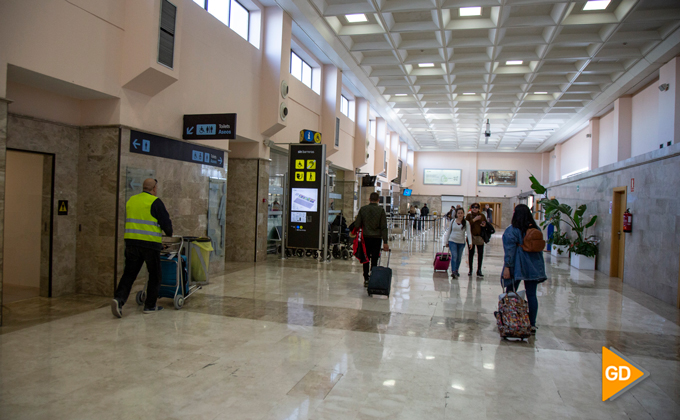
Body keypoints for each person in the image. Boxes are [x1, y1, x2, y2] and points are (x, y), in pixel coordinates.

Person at [111, 178, 173, 317]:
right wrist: (168, 231)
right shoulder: (155, 202)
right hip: (150, 244)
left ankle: (119, 300)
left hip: (132, 243)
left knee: (129, 274)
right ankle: (150, 305)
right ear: (154, 188)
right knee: (155, 275)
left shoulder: (131, 200)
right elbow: (167, 227)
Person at [501, 204, 547, 334]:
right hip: (533, 266)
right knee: (532, 294)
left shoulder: (512, 230)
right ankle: (532, 324)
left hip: (517, 265)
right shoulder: (535, 229)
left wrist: (507, 267)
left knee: (510, 292)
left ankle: (509, 318)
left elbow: (509, 251)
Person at [354, 192, 389, 287]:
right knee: (374, 258)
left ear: (369, 199)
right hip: (377, 238)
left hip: (366, 238)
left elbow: (357, 224)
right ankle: (373, 276)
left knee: (365, 258)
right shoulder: (381, 211)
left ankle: (366, 278)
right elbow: (384, 227)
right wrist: (385, 242)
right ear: (378, 200)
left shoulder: (363, 209)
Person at [443, 208, 472, 278]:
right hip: (452, 241)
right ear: (456, 214)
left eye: (461, 213)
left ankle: (456, 270)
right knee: (454, 256)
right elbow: (449, 231)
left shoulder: (466, 223)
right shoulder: (453, 221)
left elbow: (468, 233)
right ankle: (453, 271)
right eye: (459, 213)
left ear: (463, 214)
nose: (460, 214)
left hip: (461, 242)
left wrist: (470, 242)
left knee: (459, 257)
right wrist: (446, 241)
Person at [465, 203, 487, 277]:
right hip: (471, 237)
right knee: (471, 253)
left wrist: (484, 225)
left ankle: (479, 270)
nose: (475, 208)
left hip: (480, 237)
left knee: (480, 254)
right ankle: (470, 270)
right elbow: (466, 224)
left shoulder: (482, 216)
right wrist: (474, 220)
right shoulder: (469, 216)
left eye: (476, 207)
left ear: (479, 208)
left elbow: (485, 223)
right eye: (473, 207)